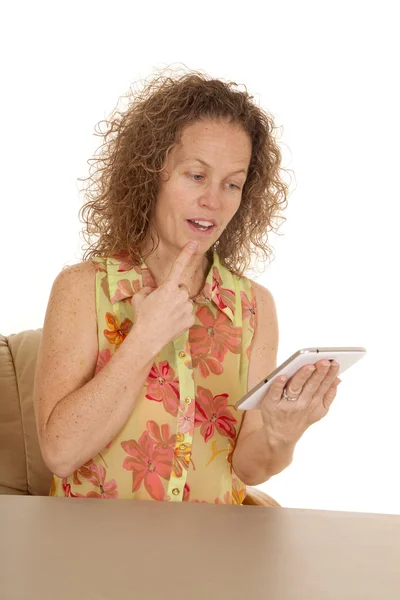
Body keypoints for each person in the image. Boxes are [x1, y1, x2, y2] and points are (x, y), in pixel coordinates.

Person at [33, 69, 341, 503]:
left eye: (232, 183)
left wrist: (279, 433)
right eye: (196, 176)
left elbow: (248, 469)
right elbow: (60, 454)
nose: (213, 201)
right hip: (95, 554)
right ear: (150, 173)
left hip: (212, 556)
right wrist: (144, 340)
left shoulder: (253, 306)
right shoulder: (82, 289)